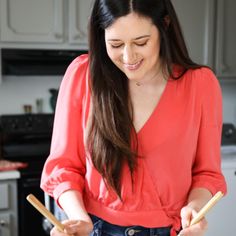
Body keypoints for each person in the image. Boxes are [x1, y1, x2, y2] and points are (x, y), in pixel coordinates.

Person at [40, 0, 227, 235]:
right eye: (116, 44)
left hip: (167, 230)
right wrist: (78, 218)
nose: (128, 57)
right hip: (95, 227)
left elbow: (207, 173)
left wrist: (195, 209)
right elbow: (63, 167)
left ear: (165, 26)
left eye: (141, 42)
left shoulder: (200, 84)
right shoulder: (82, 75)